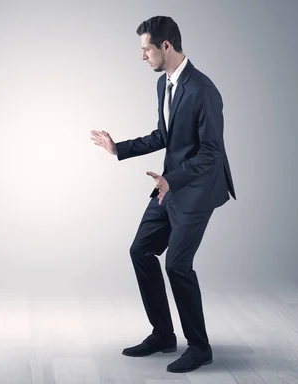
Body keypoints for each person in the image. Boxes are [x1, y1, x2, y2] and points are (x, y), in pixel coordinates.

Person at [91, 15, 235, 373]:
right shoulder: (164, 85)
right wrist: (118, 148)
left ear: (165, 46)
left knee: (177, 265)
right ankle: (163, 334)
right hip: (169, 184)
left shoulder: (204, 90)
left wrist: (175, 179)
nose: (143, 57)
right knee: (140, 250)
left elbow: (212, 153)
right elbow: (164, 135)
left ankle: (200, 347)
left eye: (146, 50)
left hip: (198, 189)